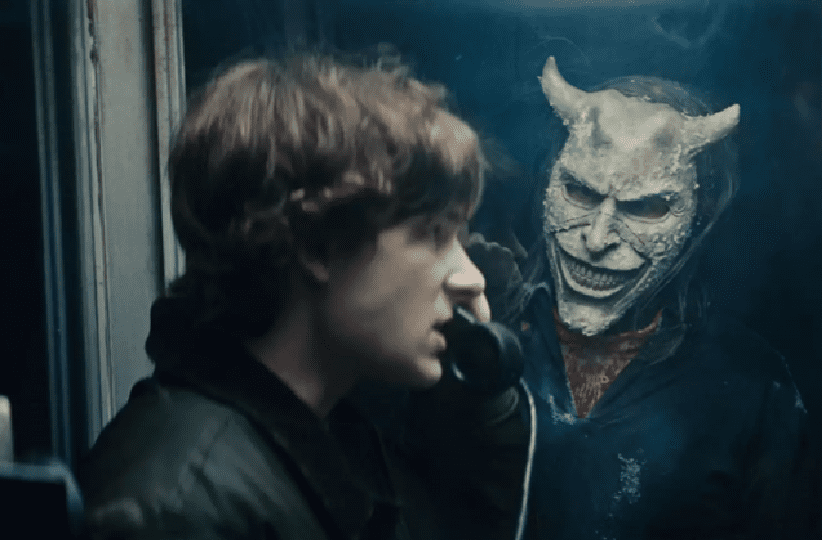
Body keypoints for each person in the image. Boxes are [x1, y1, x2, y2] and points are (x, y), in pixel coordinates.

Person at [77, 53, 532, 540]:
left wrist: (470, 401)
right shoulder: (177, 509)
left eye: (459, 237)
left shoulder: (347, 438)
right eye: (434, 233)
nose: (471, 278)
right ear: (318, 245)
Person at [471, 57, 814, 540]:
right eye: (580, 193)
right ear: (548, 181)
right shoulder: (481, 343)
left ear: (699, 216)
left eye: (645, 207)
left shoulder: (750, 387)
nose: (597, 238)